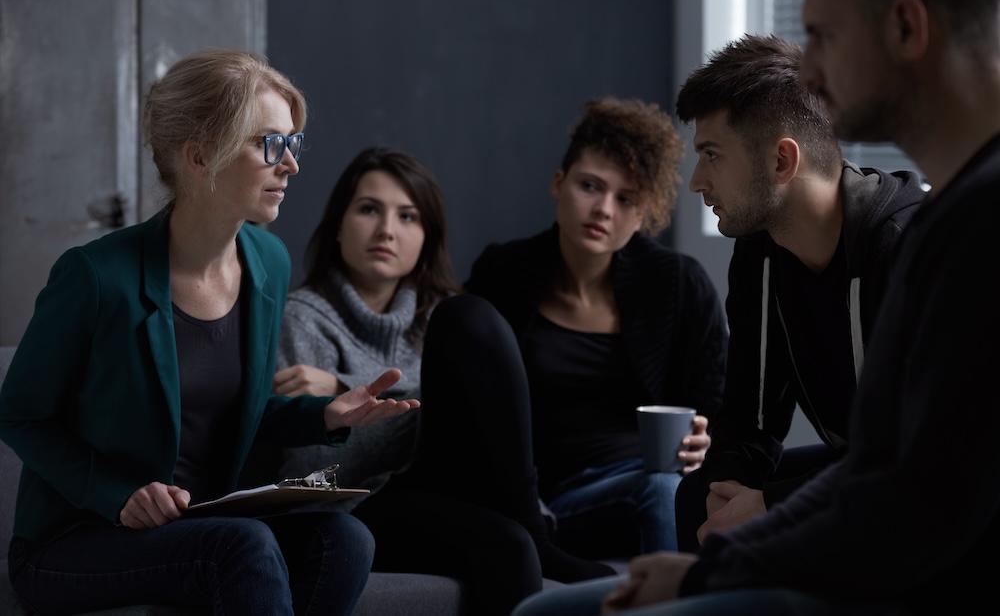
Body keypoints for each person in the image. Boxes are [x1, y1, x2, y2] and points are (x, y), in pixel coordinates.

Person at [511, 0, 1000, 614]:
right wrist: (735, 521)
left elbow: (912, 493)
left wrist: (717, 564)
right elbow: (872, 462)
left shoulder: (940, 231)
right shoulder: (943, 221)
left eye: (824, 36)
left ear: (907, 28)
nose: (815, 72)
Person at [0, 49, 419, 616]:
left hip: (198, 524)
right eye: (271, 144)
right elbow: (20, 413)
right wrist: (117, 494)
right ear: (200, 158)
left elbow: (227, 412)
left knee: (344, 539)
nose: (291, 164)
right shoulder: (96, 277)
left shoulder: (267, 262)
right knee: (242, 545)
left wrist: (325, 415)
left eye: (294, 144)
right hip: (75, 541)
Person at [272, 146, 616, 616]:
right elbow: (311, 474)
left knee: (468, 314)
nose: (386, 230)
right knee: (509, 548)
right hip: (360, 505)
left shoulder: (440, 323)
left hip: (447, 487)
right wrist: (424, 401)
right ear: (337, 225)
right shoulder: (303, 320)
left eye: (408, 216)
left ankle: (531, 523)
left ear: (426, 238)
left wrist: (340, 387)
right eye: (369, 209)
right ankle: (528, 530)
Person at [671, 33, 927, 552]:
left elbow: (924, 454)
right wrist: (730, 490)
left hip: (925, 487)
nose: (696, 182)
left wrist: (772, 504)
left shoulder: (905, 249)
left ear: (782, 162)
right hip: (857, 472)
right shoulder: (759, 253)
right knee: (696, 494)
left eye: (712, 155)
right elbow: (748, 415)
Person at [464, 96, 728, 560]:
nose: (604, 209)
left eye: (626, 199)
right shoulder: (503, 272)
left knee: (667, 487)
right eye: (590, 186)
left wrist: (707, 438)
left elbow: (722, 407)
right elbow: (455, 385)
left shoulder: (680, 284)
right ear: (559, 183)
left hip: (657, 478)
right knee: (661, 490)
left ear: (644, 215)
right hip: (551, 497)